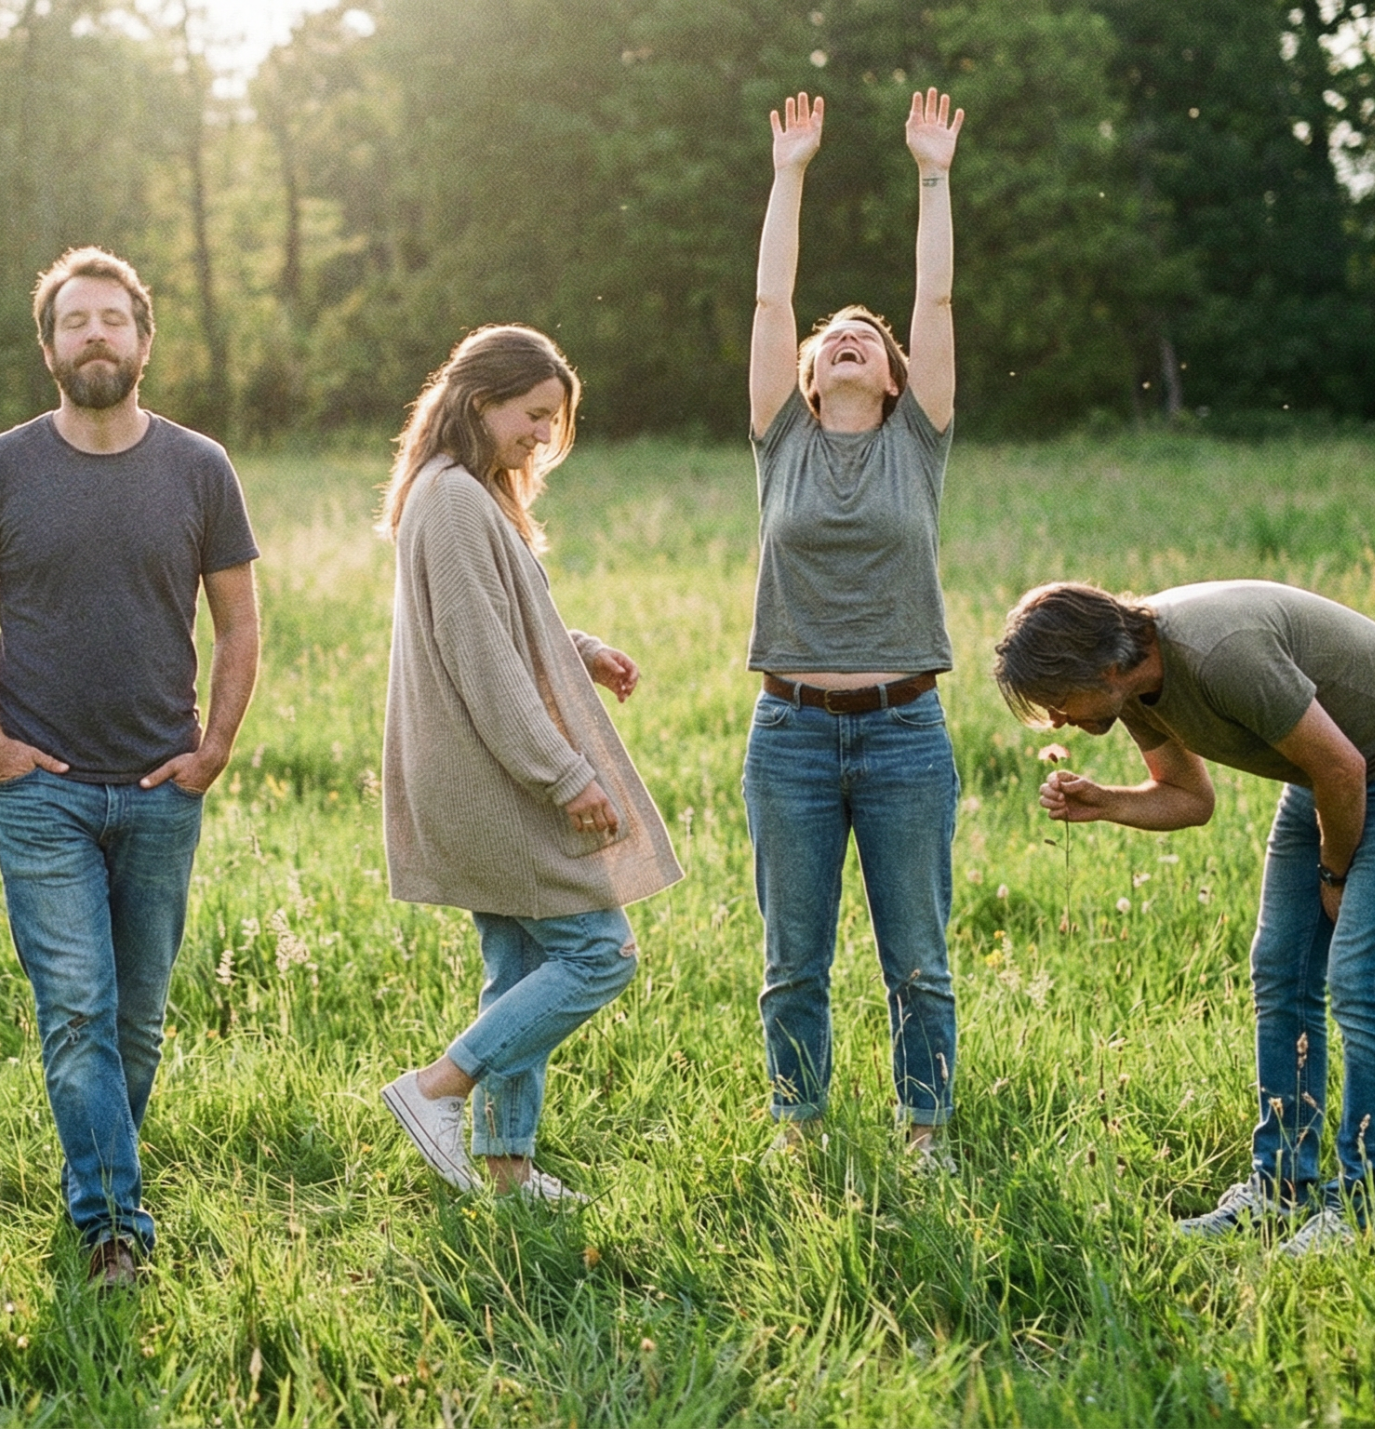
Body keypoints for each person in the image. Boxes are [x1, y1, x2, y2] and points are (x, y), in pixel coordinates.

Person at [0, 247, 260, 1289]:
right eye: (76, 322)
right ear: (48, 348)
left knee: (135, 1018)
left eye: (114, 319)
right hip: (43, 794)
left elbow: (240, 622)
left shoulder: (200, 468)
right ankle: (114, 1225)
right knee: (76, 1008)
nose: (96, 336)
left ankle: (102, 1172)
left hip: (163, 788)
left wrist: (216, 744)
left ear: (145, 340)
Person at [994, 579, 1375, 1254]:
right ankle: (1280, 1189)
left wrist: (1335, 873)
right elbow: (1189, 798)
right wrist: (1107, 802)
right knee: (1280, 968)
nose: (1059, 720)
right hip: (1327, 771)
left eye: (1058, 700)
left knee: (1362, 981)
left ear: (1100, 669)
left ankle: (1360, 1211)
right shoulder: (1132, 687)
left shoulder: (1218, 653)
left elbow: (1343, 767)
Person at [375, 325, 683, 1202]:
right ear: (482, 402)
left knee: (517, 963)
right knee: (598, 952)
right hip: (495, 775)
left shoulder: (458, 492)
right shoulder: (453, 499)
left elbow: (491, 623)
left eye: (553, 421)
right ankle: (436, 1088)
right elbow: (480, 657)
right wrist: (565, 773)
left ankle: (507, 1166)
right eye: (534, 415)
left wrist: (574, 647)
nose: (543, 437)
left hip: (476, 770)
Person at [742, 89, 966, 1163]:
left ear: (892, 377)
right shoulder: (777, 439)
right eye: (831, 339)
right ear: (804, 371)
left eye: (863, 340)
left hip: (904, 733)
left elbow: (933, 294)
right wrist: (788, 173)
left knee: (915, 956)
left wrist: (932, 172)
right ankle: (799, 1126)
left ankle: (925, 1129)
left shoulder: (917, 442)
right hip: (787, 732)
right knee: (794, 958)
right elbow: (769, 298)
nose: (844, 341)